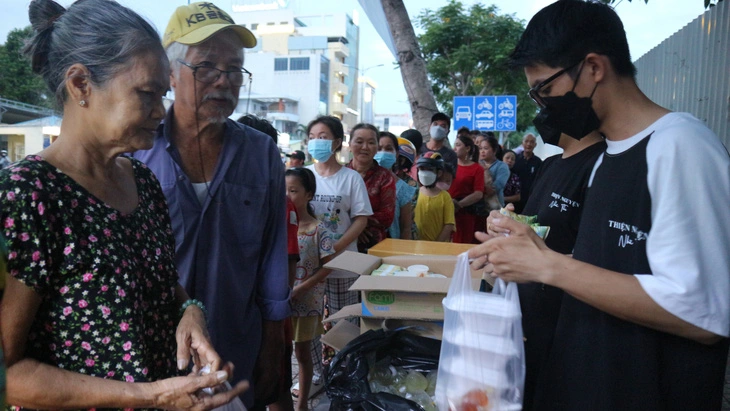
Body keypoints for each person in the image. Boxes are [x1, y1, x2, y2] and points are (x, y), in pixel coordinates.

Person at [471, 1, 730, 410]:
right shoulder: (607, 158)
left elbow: (703, 313)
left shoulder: (680, 146)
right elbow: (614, 270)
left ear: (593, 68)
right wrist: (537, 251)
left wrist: (550, 266)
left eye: (545, 89)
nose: (542, 105)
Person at [1, 0, 247, 409]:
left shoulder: (143, 182)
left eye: (163, 95)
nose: (160, 111)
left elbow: (161, 284)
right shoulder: (27, 197)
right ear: (81, 84)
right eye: (147, 93)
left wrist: (189, 311)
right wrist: (148, 395)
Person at [132, 3, 288, 408]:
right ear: (170, 73)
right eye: (206, 67)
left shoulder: (262, 153)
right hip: (153, 352)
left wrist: (275, 349)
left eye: (235, 70)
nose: (223, 81)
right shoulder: (135, 152)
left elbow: (272, 260)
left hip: (237, 347)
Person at [305, 115, 371, 366]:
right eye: (312, 138)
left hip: (342, 264)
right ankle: (312, 374)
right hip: (309, 266)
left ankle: (344, 369)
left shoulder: (351, 178)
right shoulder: (303, 176)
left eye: (322, 138)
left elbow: (361, 219)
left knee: (344, 323)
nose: (316, 143)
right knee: (310, 324)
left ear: (337, 142)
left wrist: (334, 248)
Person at [285, 167, 335, 411]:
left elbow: (328, 267)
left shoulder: (319, 230)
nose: (287, 196)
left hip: (306, 304)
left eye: (293, 191)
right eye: (284, 190)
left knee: (302, 354)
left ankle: (302, 404)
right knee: (281, 352)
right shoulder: (281, 228)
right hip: (282, 303)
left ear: (309, 195)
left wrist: (300, 288)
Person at [345, 123, 396, 252]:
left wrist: (359, 225)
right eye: (359, 141)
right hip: (340, 242)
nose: (365, 147)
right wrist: (355, 228)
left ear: (377, 147)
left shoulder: (385, 177)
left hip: (373, 245)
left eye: (371, 142)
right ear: (350, 144)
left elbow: (387, 216)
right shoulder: (340, 174)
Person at [379, 132, 416, 240]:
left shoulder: (403, 189)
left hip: (391, 248)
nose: (383, 153)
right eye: (379, 148)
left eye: (388, 149)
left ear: (397, 154)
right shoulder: (360, 181)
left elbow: (405, 228)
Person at [448, 135, 485, 244]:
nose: (455, 148)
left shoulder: (477, 168)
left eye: (458, 145)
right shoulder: (450, 166)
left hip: (465, 213)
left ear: (468, 148)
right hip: (447, 209)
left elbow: (478, 193)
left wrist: (459, 205)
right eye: (454, 145)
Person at [414, 152, 455, 242]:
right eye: (422, 169)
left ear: (439, 173)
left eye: (429, 169)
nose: (425, 173)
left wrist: (436, 244)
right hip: (417, 246)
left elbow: (449, 224)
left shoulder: (445, 197)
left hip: (439, 249)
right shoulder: (414, 193)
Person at [512, 133, 542, 213]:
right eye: (526, 141)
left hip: (530, 199)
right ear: (522, 143)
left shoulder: (538, 162)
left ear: (535, 145)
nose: (529, 144)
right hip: (514, 199)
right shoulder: (515, 159)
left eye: (532, 142)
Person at [479, 135, 510, 208]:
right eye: (480, 148)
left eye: (486, 148)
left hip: (495, 206)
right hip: (478, 206)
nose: (482, 151)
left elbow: (496, 187)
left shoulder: (502, 166)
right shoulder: (477, 164)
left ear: (494, 151)